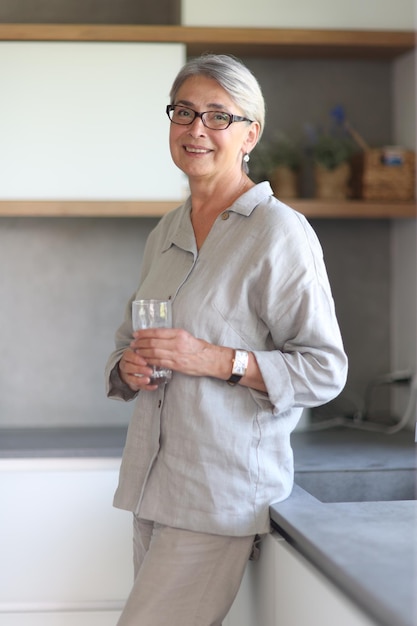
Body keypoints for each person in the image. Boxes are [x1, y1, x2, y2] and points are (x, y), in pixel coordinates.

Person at [105, 53, 348, 626]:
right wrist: (127, 368)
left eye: (218, 115)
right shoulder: (166, 229)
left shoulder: (278, 232)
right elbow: (126, 341)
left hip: (217, 496)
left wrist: (215, 359)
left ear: (250, 134)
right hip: (150, 486)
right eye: (184, 112)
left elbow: (324, 369)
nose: (196, 129)